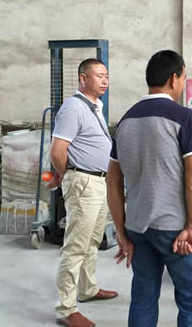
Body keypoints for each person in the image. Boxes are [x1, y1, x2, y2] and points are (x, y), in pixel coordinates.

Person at [107, 50, 192, 327]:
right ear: (174, 78)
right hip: (176, 228)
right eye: (183, 78)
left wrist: (121, 231)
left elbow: (112, 180)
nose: (182, 85)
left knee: (143, 297)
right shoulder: (183, 117)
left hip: (138, 228)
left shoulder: (125, 121)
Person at [50, 58, 118, 327]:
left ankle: (88, 288)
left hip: (99, 182)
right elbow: (58, 151)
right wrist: (68, 175)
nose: (105, 80)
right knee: (76, 246)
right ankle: (66, 309)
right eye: (99, 75)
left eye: (107, 76)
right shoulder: (73, 107)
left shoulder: (94, 107)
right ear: (83, 78)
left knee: (91, 241)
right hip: (83, 182)